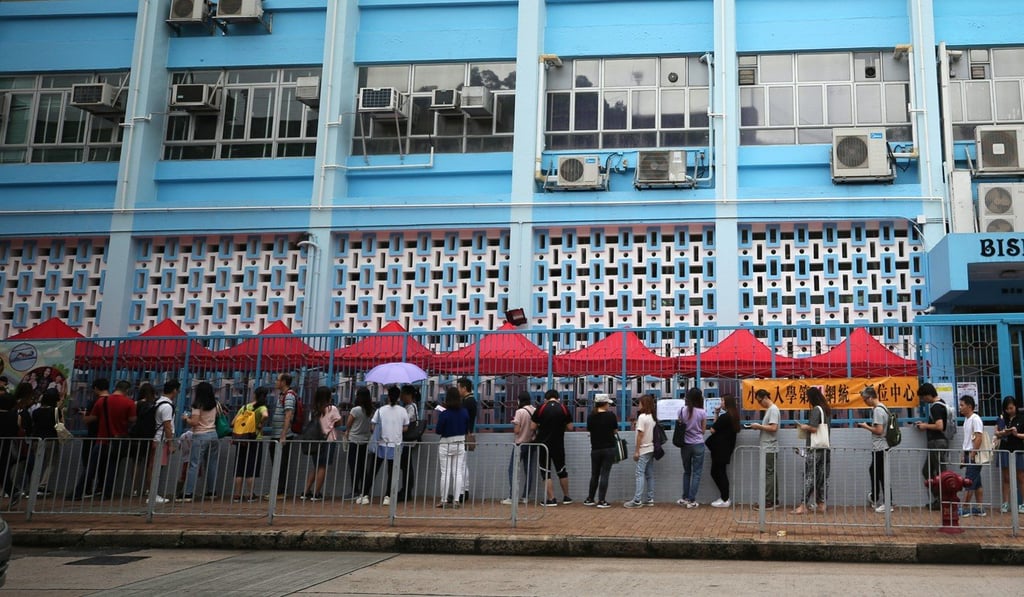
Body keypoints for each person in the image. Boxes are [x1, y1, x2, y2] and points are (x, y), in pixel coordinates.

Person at [71, 378, 137, 500]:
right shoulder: (129, 403)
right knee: (112, 468)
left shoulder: (102, 401)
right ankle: (106, 493)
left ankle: (78, 492)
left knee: (91, 467)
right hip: (117, 440)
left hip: (101, 439)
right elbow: (132, 420)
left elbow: (91, 418)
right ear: (127, 390)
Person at [178, 381, 220, 502]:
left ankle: (189, 493)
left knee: (194, 464)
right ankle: (211, 492)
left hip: (201, 435)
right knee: (212, 464)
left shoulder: (197, 405)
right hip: (214, 435)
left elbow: (195, 422)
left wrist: (186, 418)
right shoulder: (215, 404)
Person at [531, 389, 574, 507]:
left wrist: (542, 425)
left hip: (544, 445)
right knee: (562, 470)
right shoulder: (564, 408)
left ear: (546, 398)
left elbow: (532, 426)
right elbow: (570, 427)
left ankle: (552, 499)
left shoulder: (541, 408)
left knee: (545, 472)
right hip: (559, 444)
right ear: (557, 397)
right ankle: (566, 497)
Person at [792, 387, 831, 515]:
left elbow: (813, 429)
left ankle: (803, 505)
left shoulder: (816, 410)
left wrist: (804, 426)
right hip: (825, 448)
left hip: (814, 449)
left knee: (809, 476)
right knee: (821, 477)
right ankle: (821, 504)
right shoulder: (826, 410)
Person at [369, 386, 409, 506]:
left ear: (388, 395)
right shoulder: (403, 411)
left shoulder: (380, 410)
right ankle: (388, 496)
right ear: (398, 397)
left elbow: (373, 426)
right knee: (392, 473)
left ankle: (365, 494)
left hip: (381, 444)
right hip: (396, 445)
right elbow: (406, 427)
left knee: (373, 470)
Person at [300, 386, 342, 501]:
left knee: (316, 466)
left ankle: (306, 491)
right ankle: (316, 493)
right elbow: (338, 423)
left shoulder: (314, 410)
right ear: (328, 396)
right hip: (328, 441)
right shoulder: (332, 409)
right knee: (322, 467)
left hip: (315, 441)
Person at [914, 382, 949, 510]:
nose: (923, 400)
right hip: (937, 442)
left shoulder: (935, 407)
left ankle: (944, 500)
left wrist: (925, 426)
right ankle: (939, 499)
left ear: (928, 395)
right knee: (928, 470)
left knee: (940, 472)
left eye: (923, 397)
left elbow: (940, 426)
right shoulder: (942, 403)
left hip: (937, 442)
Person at [231, 386, 269, 503]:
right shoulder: (262, 407)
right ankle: (250, 495)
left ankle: (237, 495)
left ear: (254, 394)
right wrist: (260, 424)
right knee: (251, 468)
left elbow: (233, 422)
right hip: (254, 440)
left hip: (241, 439)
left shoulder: (245, 407)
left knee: (239, 467)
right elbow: (266, 415)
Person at [857, 386, 891, 512]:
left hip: (880, 448)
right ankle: (876, 497)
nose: (865, 402)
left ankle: (885, 501)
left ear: (871, 397)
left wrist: (865, 426)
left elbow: (879, 430)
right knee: (878, 473)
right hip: (883, 447)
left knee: (880, 474)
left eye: (865, 399)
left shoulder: (877, 410)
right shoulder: (883, 407)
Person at [435, 387, 469, 508]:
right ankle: (456, 500)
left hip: (446, 443)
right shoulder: (464, 412)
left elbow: (438, 430)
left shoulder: (444, 414)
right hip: (460, 443)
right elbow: (466, 428)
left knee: (445, 473)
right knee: (458, 472)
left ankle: (444, 500)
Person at [584, 394, 619, 509]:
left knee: (594, 474)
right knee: (604, 474)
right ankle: (602, 500)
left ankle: (590, 498)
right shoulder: (611, 416)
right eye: (608, 403)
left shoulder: (591, 416)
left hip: (595, 449)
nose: (609, 405)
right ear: (604, 403)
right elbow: (615, 431)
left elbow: (589, 430)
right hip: (609, 448)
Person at [706, 394, 741, 508]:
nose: (721, 402)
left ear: (727, 403)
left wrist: (716, 414)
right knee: (720, 472)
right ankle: (724, 497)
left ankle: (725, 498)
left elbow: (712, 429)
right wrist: (717, 413)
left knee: (718, 472)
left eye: (722, 400)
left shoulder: (725, 417)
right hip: (726, 448)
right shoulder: (734, 416)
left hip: (719, 448)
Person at [502, 393, 536, 505]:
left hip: (520, 444)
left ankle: (513, 496)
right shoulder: (534, 410)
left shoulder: (520, 412)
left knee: (512, 470)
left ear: (519, 400)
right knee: (528, 470)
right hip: (531, 443)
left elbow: (517, 430)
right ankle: (525, 496)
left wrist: (516, 425)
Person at [676, 388, 707, 509]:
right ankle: (692, 500)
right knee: (697, 473)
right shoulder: (702, 412)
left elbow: (680, 427)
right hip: (698, 444)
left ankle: (685, 497)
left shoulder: (681, 411)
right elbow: (703, 430)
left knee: (687, 472)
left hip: (685, 445)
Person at [268, 373, 298, 499]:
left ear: (284, 382)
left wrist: (283, 435)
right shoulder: (282, 395)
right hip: (277, 434)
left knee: (281, 464)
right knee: (277, 463)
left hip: (282, 435)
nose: (276, 382)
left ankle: (280, 491)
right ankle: (277, 490)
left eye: (278, 380)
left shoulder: (289, 396)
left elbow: (288, 415)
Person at [624, 394, 656, 509]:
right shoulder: (652, 417)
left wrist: (637, 451)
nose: (638, 404)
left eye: (640, 402)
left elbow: (640, 435)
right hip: (651, 448)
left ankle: (637, 500)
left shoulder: (642, 417)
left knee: (639, 473)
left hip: (643, 449)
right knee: (649, 474)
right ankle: (650, 498)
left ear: (644, 404)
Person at [749, 389, 780, 509]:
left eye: (760, 401)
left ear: (765, 397)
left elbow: (773, 428)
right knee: (771, 473)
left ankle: (768, 501)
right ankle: (774, 499)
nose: (760, 404)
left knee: (769, 474)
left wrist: (759, 426)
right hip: (768, 446)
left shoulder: (773, 410)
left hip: (769, 446)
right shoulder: (771, 410)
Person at [345, 388, 375, 505]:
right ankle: (364, 491)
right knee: (362, 467)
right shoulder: (370, 410)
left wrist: (347, 432)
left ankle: (355, 490)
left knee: (353, 466)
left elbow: (348, 424)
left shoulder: (355, 410)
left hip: (354, 440)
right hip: (365, 441)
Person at [995, 396, 1024, 514]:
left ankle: (1022, 503)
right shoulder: (1002, 419)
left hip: (1018, 450)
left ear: (1016, 406)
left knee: (1021, 477)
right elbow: (996, 432)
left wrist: (1016, 434)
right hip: (1005, 449)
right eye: (1007, 409)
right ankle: (1006, 503)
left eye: (1011, 408)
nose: (1009, 411)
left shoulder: (1021, 418)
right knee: (1006, 478)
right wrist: (1003, 432)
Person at [30, 388, 61, 497]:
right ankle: (42, 486)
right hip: (51, 439)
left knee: (37, 463)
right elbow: (60, 425)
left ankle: (33, 485)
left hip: (37, 439)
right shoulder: (56, 411)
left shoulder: (36, 412)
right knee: (51, 463)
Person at [959, 395, 985, 517]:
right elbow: (968, 439)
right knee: (977, 482)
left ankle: (964, 508)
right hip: (969, 453)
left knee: (969, 481)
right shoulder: (967, 419)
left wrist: (973, 453)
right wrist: (964, 454)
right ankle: (980, 508)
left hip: (973, 454)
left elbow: (979, 437)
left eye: (962, 405)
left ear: (969, 406)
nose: (960, 407)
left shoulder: (975, 419)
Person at [397, 385, 422, 502]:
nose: (401, 396)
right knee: (405, 466)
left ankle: (407, 490)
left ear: (409, 395)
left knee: (407, 466)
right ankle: (405, 489)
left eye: (403, 394)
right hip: (405, 441)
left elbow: (405, 420)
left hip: (409, 440)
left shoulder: (411, 407)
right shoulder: (407, 406)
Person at [456, 377, 477, 503]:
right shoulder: (470, 400)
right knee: (463, 464)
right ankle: (465, 489)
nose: (458, 390)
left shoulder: (467, 402)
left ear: (464, 388)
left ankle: (462, 491)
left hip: (463, 434)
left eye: (459, 387)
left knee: (461, 464)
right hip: (466, 433)